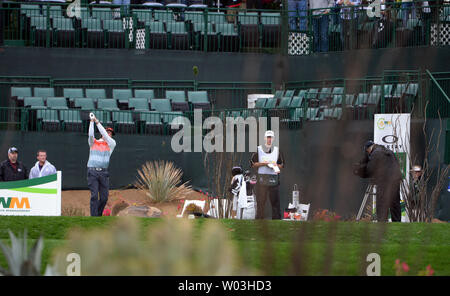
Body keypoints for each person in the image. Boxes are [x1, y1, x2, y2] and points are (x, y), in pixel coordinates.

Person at [354, 140, 402, 222]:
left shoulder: (376, 153)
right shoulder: (388, 151)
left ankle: (382, 222)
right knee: (395, 202)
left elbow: (370, 169)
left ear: (368, 149)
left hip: (384, 181)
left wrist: (361, 171)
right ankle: (397, 222)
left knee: (382, 202)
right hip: (395, 179)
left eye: (367, 151)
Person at [250, 130, 285, 220]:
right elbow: (253, 164)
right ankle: (259, 220)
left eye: (271, 137)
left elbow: (282, 165)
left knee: (275, 203)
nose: (269, 139)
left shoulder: (277, 150)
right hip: (262, 179)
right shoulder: (258, 149)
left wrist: (274, 165)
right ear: (264, 138)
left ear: (273, 139)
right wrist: (264, 164)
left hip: (274, 179)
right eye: (268, 137)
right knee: (261, 202)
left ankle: (276, 220)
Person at [87, 113, 117, 217]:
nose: (108, 134)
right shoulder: (93, 143)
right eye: (107, 132)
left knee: (104, 198)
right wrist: (91, 122)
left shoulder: (111, 144)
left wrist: (97, 122)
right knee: (94, 196)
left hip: (104, 172)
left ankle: (98, 216)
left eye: (110, 133)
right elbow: (90, 135)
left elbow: (105, 135)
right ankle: (94, 217)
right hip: (92, 171)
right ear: (102, 134)